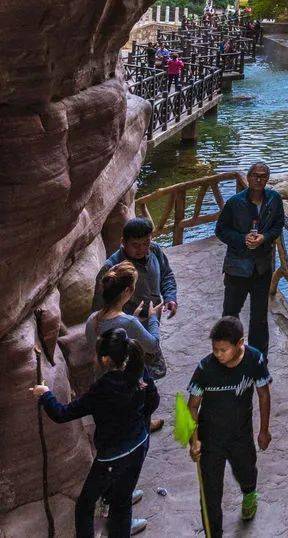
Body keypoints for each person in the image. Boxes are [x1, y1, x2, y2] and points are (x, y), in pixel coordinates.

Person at [31, 327, 158, 537]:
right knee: (122, 501)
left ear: (106, 360)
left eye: (96, 353)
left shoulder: (104, 388)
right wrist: (138, 423)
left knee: (85, 506)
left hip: (112, 457)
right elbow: (153, 401)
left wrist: (45, 395)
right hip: (139, 446)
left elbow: (62, 414)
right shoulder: (138, 370)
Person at [186, 316, 272, 536]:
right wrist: (193, 440)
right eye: (215, 349)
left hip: (240, 434)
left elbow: (263, 394)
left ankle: (249, 493)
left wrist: (263, 430)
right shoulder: (205, 368)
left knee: (246, 471)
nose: (218, 354)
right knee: (210, 493)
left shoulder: (255, 360)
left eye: (223, 350)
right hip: (210, 438)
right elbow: (192, 407)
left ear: (240, 344)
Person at [93, 217, 176, 409]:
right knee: (132, 377)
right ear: (123, 242)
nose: (142, 249)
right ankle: (139, 414)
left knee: (147, 374)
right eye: (135, 245)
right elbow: (100, 309)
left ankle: (142, 410)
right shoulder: (111, 269)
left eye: (146, 243)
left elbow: (167, 275)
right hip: (127, 332)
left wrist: (170, 296)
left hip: (148, 324)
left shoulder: (154, 249)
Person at [215, 163, 283, 356]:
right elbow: (221, 230)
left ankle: (259, 359)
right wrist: (242, 239)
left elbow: (278, 225)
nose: (258, 179)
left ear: (267, 179)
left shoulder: (274, 199)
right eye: (254, 175)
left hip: (262, 268)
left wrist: (265, 237)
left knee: (259, 318)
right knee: (230, 314)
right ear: (248, 177)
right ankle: (227, 353)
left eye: (262, 176)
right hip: (237, 267)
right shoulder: (235, 203)